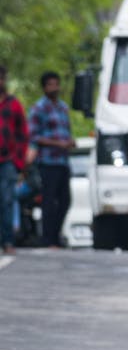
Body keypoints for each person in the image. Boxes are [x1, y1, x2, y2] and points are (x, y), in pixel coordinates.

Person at [29, 71, 74, 249]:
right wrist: (57, 143)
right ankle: (48, 239)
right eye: (50, 85)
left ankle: (56, 236)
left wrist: (69, 142)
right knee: (48, 201)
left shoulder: (62, 107)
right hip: (48, 162)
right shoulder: (38, 108)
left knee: (65, 201)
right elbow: (33, 136)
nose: (54, 88)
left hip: (63, 161)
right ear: (44, 87)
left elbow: (66, 131)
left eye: (56, 84)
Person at [0, 64, 30, 255]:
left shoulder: (14, 104)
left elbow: (23, 134)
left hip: (7, 161)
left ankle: (8, 240)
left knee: (7, 200)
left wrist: (19, 161)